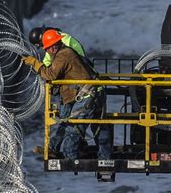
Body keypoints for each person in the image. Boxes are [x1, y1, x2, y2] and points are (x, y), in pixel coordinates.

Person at [23, 29, 111, 161]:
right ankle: (104, 157)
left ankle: (70, 158)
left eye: (46, 49)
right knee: (99, 127)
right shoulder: (64, 50)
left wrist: (34, 63)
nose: (46, 52)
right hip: (94, 93)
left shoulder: (63, 55)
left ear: (52, 48)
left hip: (88, 96)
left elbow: (50, 74)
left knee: (74, 128)